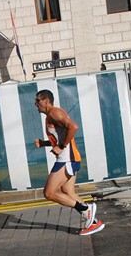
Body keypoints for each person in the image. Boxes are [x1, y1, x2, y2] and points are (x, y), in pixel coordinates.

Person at [34, 89, 104, 236]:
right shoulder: (51, 116)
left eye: (38, 101)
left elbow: (74, 127)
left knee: (49, 193)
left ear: (46, 100)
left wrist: (61, 147)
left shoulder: (54, 113)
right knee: (68, 192)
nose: (36, 104)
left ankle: (87, 209)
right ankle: (95, 222)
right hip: (69, 158)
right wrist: (45, 143)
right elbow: (61, 136)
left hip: (67, 159)